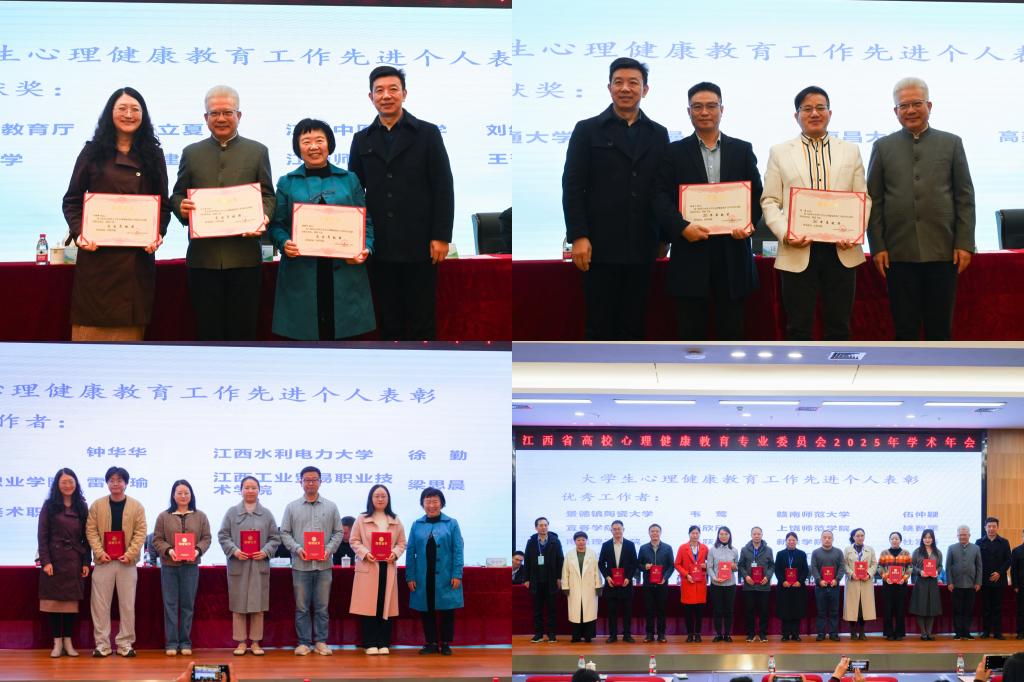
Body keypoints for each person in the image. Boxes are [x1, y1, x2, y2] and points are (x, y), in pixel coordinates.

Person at [562, 57, 670, 340]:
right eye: (618, 82)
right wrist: (578, 235)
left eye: (633, 82)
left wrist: (664, 236)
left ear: (645, 90)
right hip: (599, 245)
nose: (625, 88)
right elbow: (573, 186)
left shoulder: (658, 134)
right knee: (599, 324)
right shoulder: (587, 130)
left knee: (634, 324)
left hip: (643, 244)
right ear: (609, 87)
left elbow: (663, 188)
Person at [349, 66, 454, 341]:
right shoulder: (361, 139)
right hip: (379, 244)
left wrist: (441, 236)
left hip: (420, 243)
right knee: (389, 320)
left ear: (404, 94)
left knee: (422, 319)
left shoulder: (427, 133)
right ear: (370, 97)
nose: (386, 96)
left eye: (393, 89)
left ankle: (426, 366)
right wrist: (354, 239)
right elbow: (354, 192)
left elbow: (443, 186)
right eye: (379, 91)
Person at [866, 76, 975, 340]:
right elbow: (874, 200)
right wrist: (878, 246)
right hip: (898, 252)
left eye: (917, 103)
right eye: (903, 106)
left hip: (943, 250)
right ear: (895, 111)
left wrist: (964, 243)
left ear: (929, 105)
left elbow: (964, 196)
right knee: (905, 329)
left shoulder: (951, 143)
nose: (910, 110)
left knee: (940, 329)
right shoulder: (883, 147)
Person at [652, 81, 762, 340]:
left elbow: (757, 195)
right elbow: (659, 197)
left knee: (732, 332)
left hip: (733, 252)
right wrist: (681, 228)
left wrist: (748, 225)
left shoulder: (742, 149)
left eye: (711, 106)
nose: (704, 112)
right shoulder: (673, 152)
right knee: (691, 334)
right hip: (690, 252)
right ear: (688, 111)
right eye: (697, 107)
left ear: (722, 110)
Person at [61, 87, 169, 341]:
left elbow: (163, 205)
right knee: (88, 344)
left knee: (128, 349)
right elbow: (72, 201)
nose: (128, 114)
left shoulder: (153, 155)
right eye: (122, 108)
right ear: (110, 113)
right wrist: (81, 233)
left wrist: (157, 233)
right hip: (97, 259)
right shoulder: (92, 152)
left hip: (135, 261)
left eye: (135, 109)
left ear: (143, 115)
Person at [761, 86, 870, 340]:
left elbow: (863, 198)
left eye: (820, 108)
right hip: (797, 249)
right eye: (807, 109)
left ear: (830, 113)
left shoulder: (850, 150)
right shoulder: (779, 152)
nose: (814, 113)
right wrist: (786, 233)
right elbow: (770, 200)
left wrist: (854, 232)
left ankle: (839, 367)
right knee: (798, 328)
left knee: (839, 327)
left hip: (841, 250)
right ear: (796, 115)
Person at [170, 84, 275, 341]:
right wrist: (180, 206)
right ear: (205, 117)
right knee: (208, 332)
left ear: (239, 115)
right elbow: (177, 194)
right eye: (214, 113)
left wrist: (264, 216)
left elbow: (268, 196)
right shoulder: (191, 153)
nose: (221, 118)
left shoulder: (257, 151)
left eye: (227, 112)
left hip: (245, 258)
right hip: (203, 259)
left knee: (243, 331)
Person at [269, 118, 375, 340]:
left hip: (345, 268)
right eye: (306, 141)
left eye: (319, 140)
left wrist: (366, 247)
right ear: (298, 147)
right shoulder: (287, 182)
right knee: (307, 339)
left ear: (330, 144)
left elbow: (366, 222)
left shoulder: (350, 180)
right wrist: (284, 243)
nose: (314, 147)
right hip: (302, 270)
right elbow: (277, 224)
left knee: (344, 339)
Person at [280, 466, 344, 656]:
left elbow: (338, 532)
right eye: (307, 480)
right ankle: (303, 643)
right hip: (301, 566)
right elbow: (284, 533)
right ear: (300, 482)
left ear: (320, 482)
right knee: (302, 607)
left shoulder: (331, 506)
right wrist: (297, 549)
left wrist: (328, 550)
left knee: (322, 607)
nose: (310, 483)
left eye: (314, 479)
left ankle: (321, 642)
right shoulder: (291, 507)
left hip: (324, 565)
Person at [85, 466, 146, 657]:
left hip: (127, 563)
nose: (115, 484)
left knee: (127, 605)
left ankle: (125, 644)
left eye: (119, 480)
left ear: (126, 483)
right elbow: (91, 531)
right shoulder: (97, 505)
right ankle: (102, 645)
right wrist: (99, 552)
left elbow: (141, 532)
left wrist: (130, 553)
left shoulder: (136, 506)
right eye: (111, 480)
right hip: (103, 562)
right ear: (107, 483)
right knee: (100, 605)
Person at [217, 475, 280, 656]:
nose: (250, 491)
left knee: (257, 606)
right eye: (247, 487)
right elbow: (223, 536)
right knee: (238, 605)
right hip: (239, 564)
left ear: (259, 490)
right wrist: (235, 550)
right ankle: (241, 642)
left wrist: (266, 551)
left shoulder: (266, 514)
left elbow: (275, 538)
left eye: (253, 488)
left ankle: (256, 642)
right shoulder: (231, 513)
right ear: (241, 490)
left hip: (259, 565)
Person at [151, 480, 212, 656]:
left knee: (187, 605)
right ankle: (171, 643)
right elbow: (157, 539)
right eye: (179, 493)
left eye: (186, 493)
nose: (183, 496)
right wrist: (169, 551)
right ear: (173, 495)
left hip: (191, 567)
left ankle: (185, 642)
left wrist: (197, 550)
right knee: (170, 605)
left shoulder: (200, 516)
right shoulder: (164, 516)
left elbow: (206, 538)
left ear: (191, 495)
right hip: (169, 566)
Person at [37, 468, 90, 657]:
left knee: (70, 604)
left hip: (74, 560)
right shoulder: (49, 506)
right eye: (64, 482)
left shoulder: (82, 506)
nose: (68, 485)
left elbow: (87, 537)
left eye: (71, 482)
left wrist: (86, 561)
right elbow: (42, 536)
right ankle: (57, 643)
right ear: (57, 485)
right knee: (54, 603)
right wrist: (45, 561)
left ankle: (68, 641)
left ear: (76, 484)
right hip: (54, 560)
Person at [349, 484, 407, 655]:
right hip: (369, 566)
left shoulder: (395, 519)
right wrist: (365, 553)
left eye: (383, 496)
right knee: (369, 606)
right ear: (371, 499)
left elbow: (402, 543)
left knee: (385, 605)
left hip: (387, 566)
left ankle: (384, 643)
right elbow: (354, 540)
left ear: (388, 499)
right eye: (377, 496)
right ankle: (369, 643)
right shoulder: (362, 518)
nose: (380, 499)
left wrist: (394, 554)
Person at [406, 487, 464, 656]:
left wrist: (457, 574)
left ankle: (445, 643)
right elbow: (410, 551)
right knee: (426, 609)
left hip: (446, 574)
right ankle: (430, 642)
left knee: (447, 610)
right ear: (422, 504)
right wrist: (410, 576)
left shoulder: (452, 523)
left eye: (435, 501)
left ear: (442, 503)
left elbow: (458, 550)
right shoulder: (416, 525)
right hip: (423, 575)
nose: (431, 505)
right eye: (428, 502)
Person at [523, 516, 563, 643]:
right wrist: (526, 579)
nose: (543, 527)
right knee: (537, 610)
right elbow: (527, 561)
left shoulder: (555, 541)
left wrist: (559, 577)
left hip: (551, 580)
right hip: (536, 581)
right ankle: (538, 634)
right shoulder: (531, 542)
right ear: (536, 528)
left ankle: (551, 634)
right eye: (540, 525)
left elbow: (560, 560)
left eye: (545, 525)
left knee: (552, 610)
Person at [598, 519, 638, 643]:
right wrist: (607, 577)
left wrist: (628, 578)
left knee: (627, 612)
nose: (617, 531)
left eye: (619, 529)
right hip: (611, 585)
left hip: (626, 584)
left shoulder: (630, 545)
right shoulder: (606, 545)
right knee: (612, 612)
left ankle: (627, 635)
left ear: (623, 530)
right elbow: (601, 563)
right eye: (614, 529)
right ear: (611, 531)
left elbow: (634, 564)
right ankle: (613, 635)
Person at [562, 531, 603, 643]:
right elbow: (565, 572)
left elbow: (597, 571)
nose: (581, 542)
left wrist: (598, 585)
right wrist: (565, 586)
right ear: (574, 541)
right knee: (576, 612)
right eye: (578, 540)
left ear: (586, 541)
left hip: (589, 588)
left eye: (583, 540)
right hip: (574, 587)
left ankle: (588, 636)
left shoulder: (592, 554)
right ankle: (576, 636)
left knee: (588, 612)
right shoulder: (569, 554)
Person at [638, 523, 674, 642]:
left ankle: (661, 634)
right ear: (649, 533)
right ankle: (649, 634)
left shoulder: (667, 548)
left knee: (661, 610)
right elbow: (638, 565)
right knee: (649, 610)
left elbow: (671, 566)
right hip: (648, 585)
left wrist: (665, 578)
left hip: (662, 584)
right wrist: (645, 567)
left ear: (660, 533)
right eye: (652, 531)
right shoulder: (643, 548)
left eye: (657, 531)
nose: (654, 533)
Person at [977, 516, 1012, 639]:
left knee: (998, 607)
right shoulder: (979, 542)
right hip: (984, 580)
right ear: (985, 528)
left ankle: (997, 632)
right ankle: (986, 632)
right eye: (989, 526)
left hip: (999, 580)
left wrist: (999, 573)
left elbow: (1008, 560)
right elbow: (977, 561)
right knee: (986, 607)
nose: (991, 528)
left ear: (997, 528)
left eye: (994, 526)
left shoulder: (1004, 542)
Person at [738, 526, 774, 642]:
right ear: (751, 535)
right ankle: (751, 633)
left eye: (759, 534)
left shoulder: (768, 550)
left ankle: (763, 633)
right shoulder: (744, 549)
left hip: (764, 586)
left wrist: (767, 577)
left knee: (764, 611)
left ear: (762, 535)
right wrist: (746, 576)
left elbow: (772, 566)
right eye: (754, 534)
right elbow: (740, 565)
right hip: (749, 586)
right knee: (749, 611)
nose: (757, 536)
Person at [946, 524, 983, 639]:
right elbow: (948, 566)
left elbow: (979, 566)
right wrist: (950, 582)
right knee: (957, 610)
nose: (962, 537)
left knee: (968, 610)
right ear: (957, 535)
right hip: (956, 584)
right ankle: (958, 633)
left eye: (965, 535)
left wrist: (978, 582)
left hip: (971, 585)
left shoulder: (976, 548)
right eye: (960, 535)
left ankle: (966, 632)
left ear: (969, 535)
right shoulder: (951, 548)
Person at [674, 524, 709, 642]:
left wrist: (705, 565)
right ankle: (689, 634)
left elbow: (711, 563)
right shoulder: (682, 547)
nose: (695, 535)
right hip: (688, 582)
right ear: (689, 534)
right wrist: (686, 574)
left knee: (699, 611)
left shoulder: (704, 548)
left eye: (697, 533)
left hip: (700, 583)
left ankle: (698, 634)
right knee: (688, 611)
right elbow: (677, 564)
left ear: (699, 534)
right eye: (693, 533)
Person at [810, 529, 845, 641]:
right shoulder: (815, 552)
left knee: (834, 611)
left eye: (829, 537)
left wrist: (837, 579)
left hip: (834, 586)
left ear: (833, 539)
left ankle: (833, 633)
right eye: (824, 537)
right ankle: (821, 633)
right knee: (821, 612)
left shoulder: (838, 552)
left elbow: (842, 567)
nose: (827, 539)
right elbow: (813, 568)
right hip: (820, 587)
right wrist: (819, 580)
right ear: (821, 539)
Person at [909, 528, 943, 640]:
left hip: (933, 582)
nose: (927, 539)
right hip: (921, 582)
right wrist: (920, 572)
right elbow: (911, 566)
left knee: (932, 608)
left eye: (929, 537)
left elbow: (940, 566)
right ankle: (923, 633)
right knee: (921, 608)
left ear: (933, 539)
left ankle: (929, 633)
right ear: (922, 539)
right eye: (925, 537)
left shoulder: (938, 552)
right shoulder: (917, 551)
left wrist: (937, 572)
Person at [843, 528, 877, 640]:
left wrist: (869, 574)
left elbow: (874, 564)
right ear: (853, 537)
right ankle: (853, 632)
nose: (860, 537)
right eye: (857, 536)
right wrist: (851, 574)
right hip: (853, 582)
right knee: (853, 609)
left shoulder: (870, 549)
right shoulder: (847, 549)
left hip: (866, 582)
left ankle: (862, 632)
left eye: (862, 535)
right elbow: (844, 565)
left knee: (863, 609)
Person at [774, 531, 809, 642]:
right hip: (784, 587)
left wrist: (800, 581)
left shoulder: (802, 554)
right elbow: (777, 570)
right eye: (789, 540)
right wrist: (783, 581)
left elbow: (805, 570)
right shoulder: (780, 554)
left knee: (796, 611)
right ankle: (785, 634)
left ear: (797, 541)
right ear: (786, 541)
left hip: (798, 587)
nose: (791, 542)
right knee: (785, 611)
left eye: (793, 540)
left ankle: (795, 634)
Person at [706, 525, 739, 642]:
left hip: (730, 585)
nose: (723, 536)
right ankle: (719, 634)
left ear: (729, 536)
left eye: (726, 534)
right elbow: (709, 567)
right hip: (716, 585)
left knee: (729, 610)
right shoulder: (712, 550)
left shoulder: (734, 550)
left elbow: (736, 567)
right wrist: (714, 578)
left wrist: (735, 567)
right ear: (718, 536)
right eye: (721, 534)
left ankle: (727, 635)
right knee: (718, 610)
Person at [876, 531, 911, 640]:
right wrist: (886, 577)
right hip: (888, 585)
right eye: (892, 538)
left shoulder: (906, 553)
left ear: (900, 540)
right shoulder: (884, 553)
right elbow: (879, 567)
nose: (894, 540)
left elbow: (910, 567)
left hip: (901, 585)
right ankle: (889, 633)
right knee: (888, 610)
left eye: (897, 538)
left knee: (900, 610)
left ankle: (899, 633)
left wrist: (904, 579)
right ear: (889, 540)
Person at [1012, 530, 1024, 639]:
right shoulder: (1016, 551)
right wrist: (1015, 585)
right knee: (1021, 610)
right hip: (1021, 585)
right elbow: (1014, 570)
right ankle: (1020, 632)